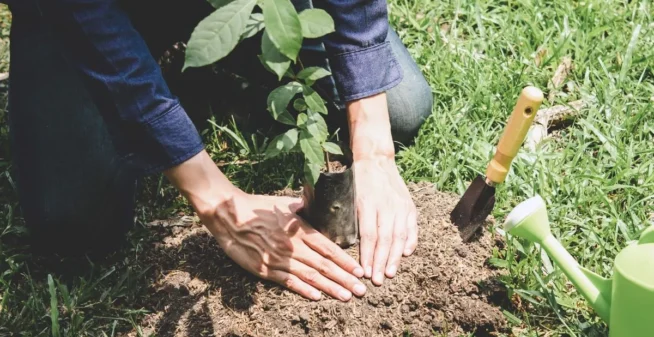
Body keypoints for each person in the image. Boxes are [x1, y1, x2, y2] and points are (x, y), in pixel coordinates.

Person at [3, 0, 433, 302]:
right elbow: (81, 14)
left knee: (401, 108)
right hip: (84, 16)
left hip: (248, 4)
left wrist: (374, 147)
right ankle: (173, 65)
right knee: (75, 220)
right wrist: (218, 202)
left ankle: (211, 61)